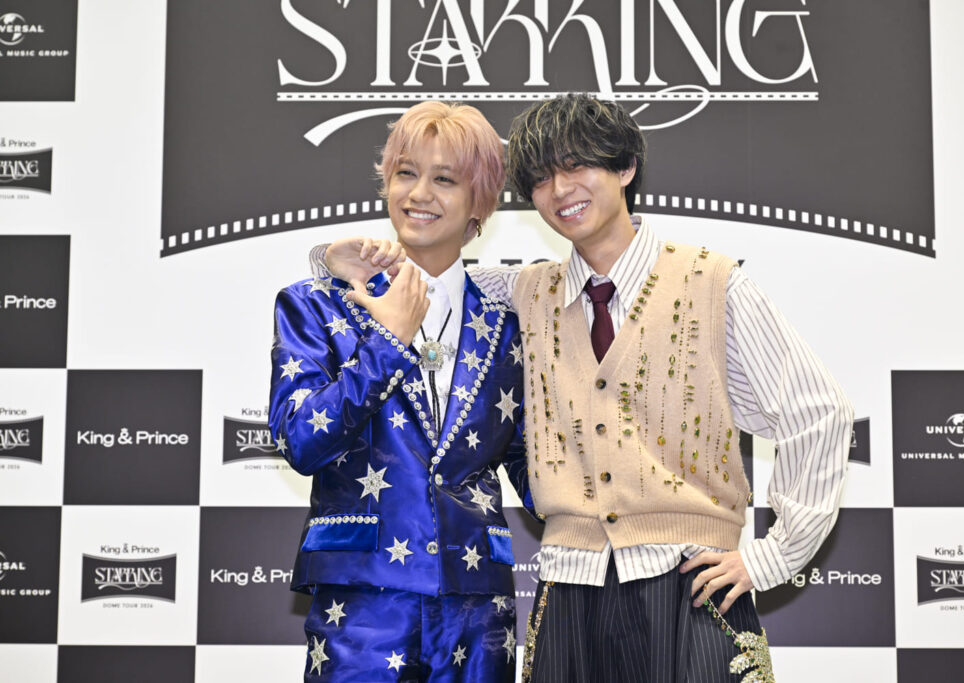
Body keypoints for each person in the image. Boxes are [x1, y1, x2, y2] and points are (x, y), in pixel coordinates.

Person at [317, 94, 853, 683]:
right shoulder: (523, 292)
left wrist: (773, 557)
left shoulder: (713, 282)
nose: (560, 189)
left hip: (693, 585)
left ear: (625, 167)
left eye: (577, 166)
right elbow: (429, 279)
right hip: (568, 589)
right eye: (542, 178)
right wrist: (327, 258)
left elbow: (819, 413)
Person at [269, 100, 532, 682]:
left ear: (480, 203)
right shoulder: (316, 304)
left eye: (445, 179)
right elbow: (300, 441)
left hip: (476, 604)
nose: (419, 194)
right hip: (361, 598)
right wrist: (387, 342)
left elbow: (534, 466)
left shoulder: (509, 323)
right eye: (406, 173)